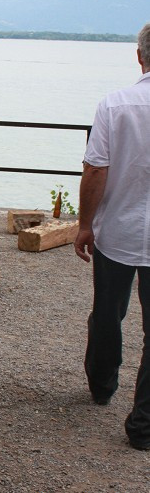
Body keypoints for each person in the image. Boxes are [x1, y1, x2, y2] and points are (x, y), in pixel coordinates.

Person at [74, 22, 150, 451]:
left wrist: (85, 224)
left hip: (118, 227)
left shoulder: (116, 105)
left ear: (140, 56)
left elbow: (96, 168)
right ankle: (144, 423)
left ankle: (102, 384)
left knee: (108, 311)